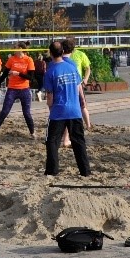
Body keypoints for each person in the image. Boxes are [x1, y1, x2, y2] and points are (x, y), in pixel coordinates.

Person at [43, 40, 91, 177]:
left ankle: (52, 171)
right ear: (62, 52)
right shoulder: (72, 67)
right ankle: (85, 171)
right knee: (78, 142)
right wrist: (81, 104)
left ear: (51, 53)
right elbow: (78, 88)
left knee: (52, 141)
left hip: (59, 111)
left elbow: (50, 96)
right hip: (74, 110)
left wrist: (50, 107)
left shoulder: (51, 71)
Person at [0, 42, 36, 140]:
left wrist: (18, 73)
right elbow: (4, 74)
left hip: (24, 89)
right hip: (12, 89)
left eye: (15, 47)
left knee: (27, 113)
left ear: (20, 49)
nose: (13, 49)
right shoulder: (12, 59)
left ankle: (32, 133)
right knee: (4, 111)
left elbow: (31, 78)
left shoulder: (28, 60)